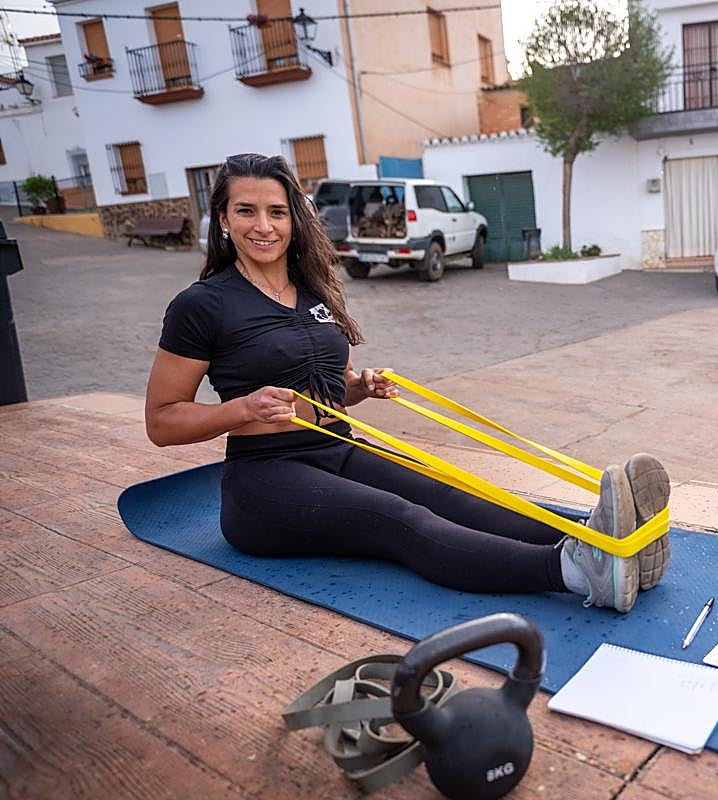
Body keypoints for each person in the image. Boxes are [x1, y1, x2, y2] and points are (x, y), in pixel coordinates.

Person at [144, 153, 670, 613]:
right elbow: (162, 420)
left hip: (337, 449)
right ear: (223, 219)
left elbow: (324, 396)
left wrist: (358, 388)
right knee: (399, 518)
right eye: (247, 211)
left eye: (277, 212)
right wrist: (241, 410)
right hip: (264, 480)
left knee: (454, 492)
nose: (264, 226)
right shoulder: (201, 305)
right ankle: (578, 573)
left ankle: (597, 539)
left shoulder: (311, 290)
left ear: (294, 219)